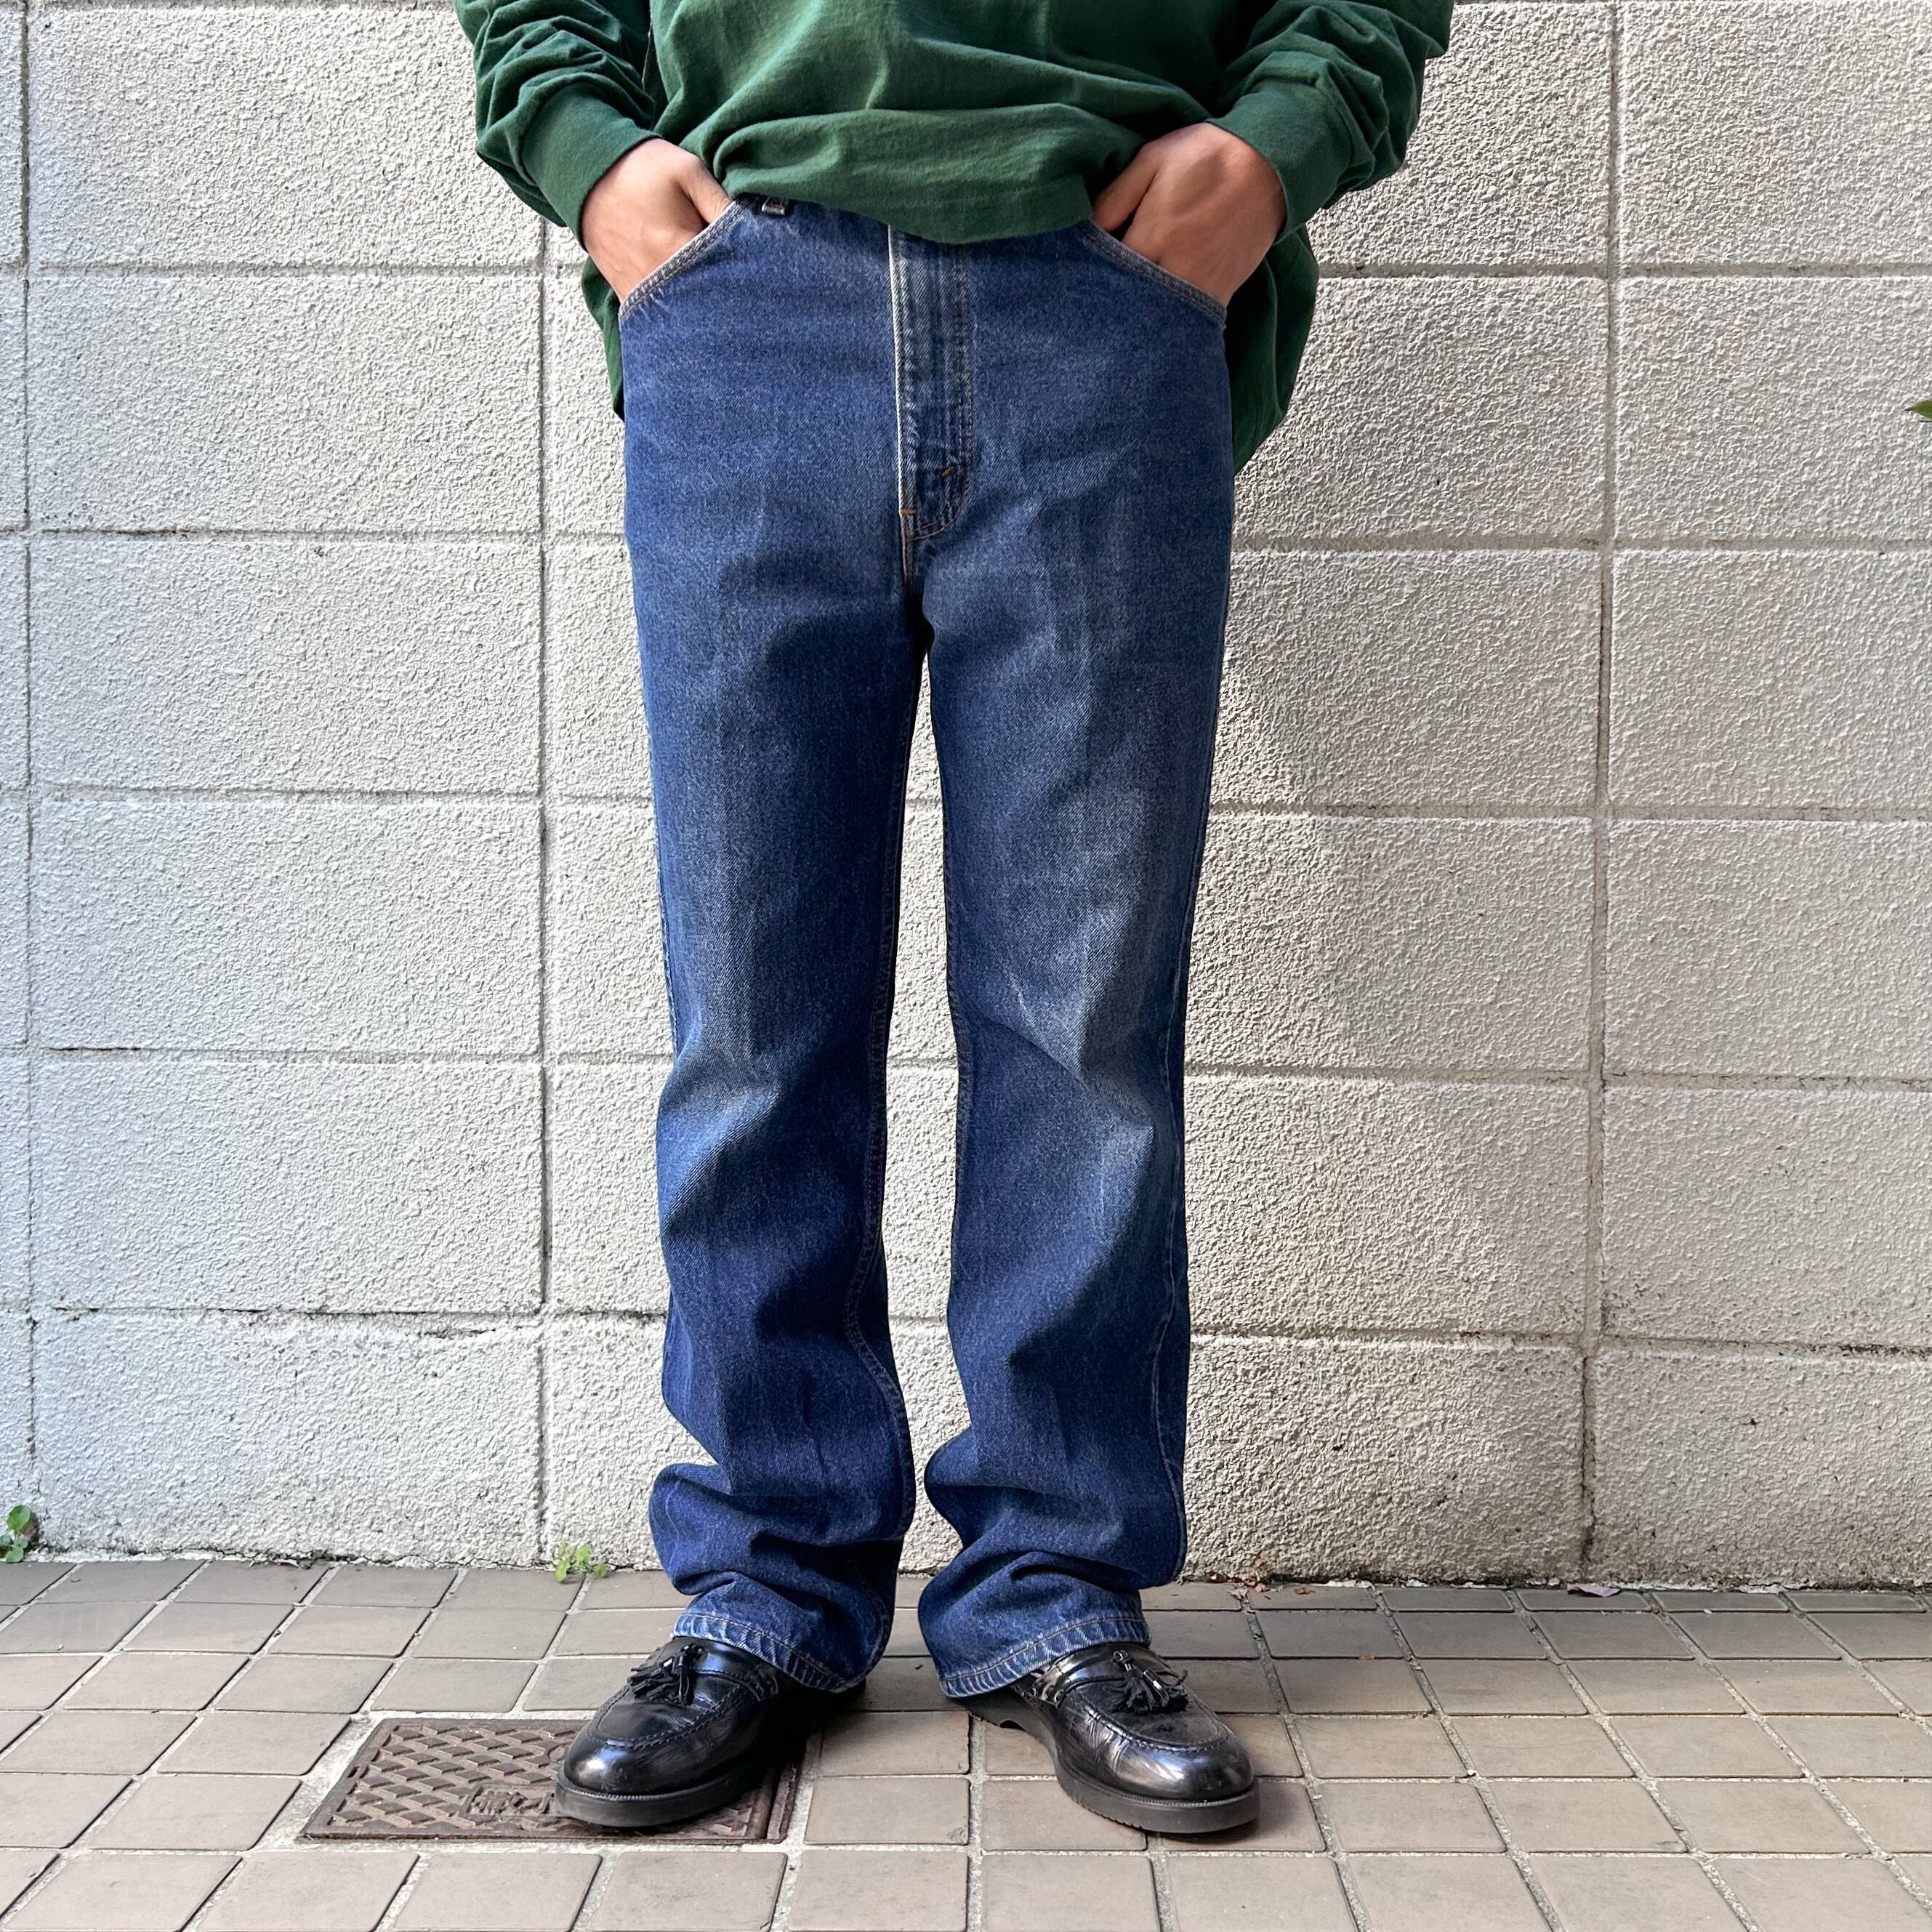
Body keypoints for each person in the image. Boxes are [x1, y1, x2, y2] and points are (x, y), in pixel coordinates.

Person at [456, 0, 1451, 1836]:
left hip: (1102, 293)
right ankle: (768, 1582)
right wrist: (593, 160)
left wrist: (1276, 147)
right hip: (748, 299)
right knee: (754, 1015)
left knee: (1084, 1024)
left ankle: (1057, 1587)